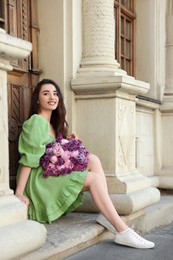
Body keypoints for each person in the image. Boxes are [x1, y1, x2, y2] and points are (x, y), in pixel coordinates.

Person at [15, 78, 155, 249]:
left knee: (93, 159)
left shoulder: (51, 124)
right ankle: (122, 231)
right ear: (37, 99)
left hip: (50, 175)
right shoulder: (36, 122)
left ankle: (108, 215)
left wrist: (69, 144)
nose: (52, 97)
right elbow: (29, 159)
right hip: (40, 181)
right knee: (93, 179)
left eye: (55, 93)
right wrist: (20, 192)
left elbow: (54, 155)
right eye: (46, 93)